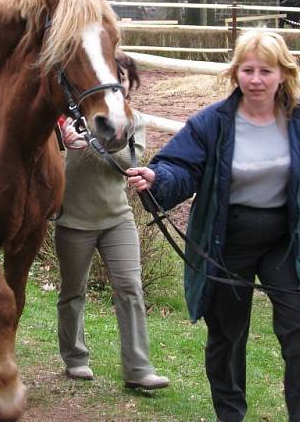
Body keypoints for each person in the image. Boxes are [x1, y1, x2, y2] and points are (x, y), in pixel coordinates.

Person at [127, 30, 300, 422]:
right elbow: (180, 166)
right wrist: (157, 179)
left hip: (287, 239)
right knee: (227, 335)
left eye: (265, 70)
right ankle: (230, 415)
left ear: (283, 73)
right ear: (235, 73)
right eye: (247, 70)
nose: (256, 79)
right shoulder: (213, 123)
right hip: (225, 238)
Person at [55, 52, 170, 390]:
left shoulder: (133, 120)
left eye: (120, 77)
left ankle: (138, 369)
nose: (114, 82)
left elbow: (129, 160)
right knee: (73, 292)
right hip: (73, 219)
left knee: (130, 289)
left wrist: (89, 143)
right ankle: (75, 358)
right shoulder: (68, 118)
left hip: (117, 218)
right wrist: (63, 143)